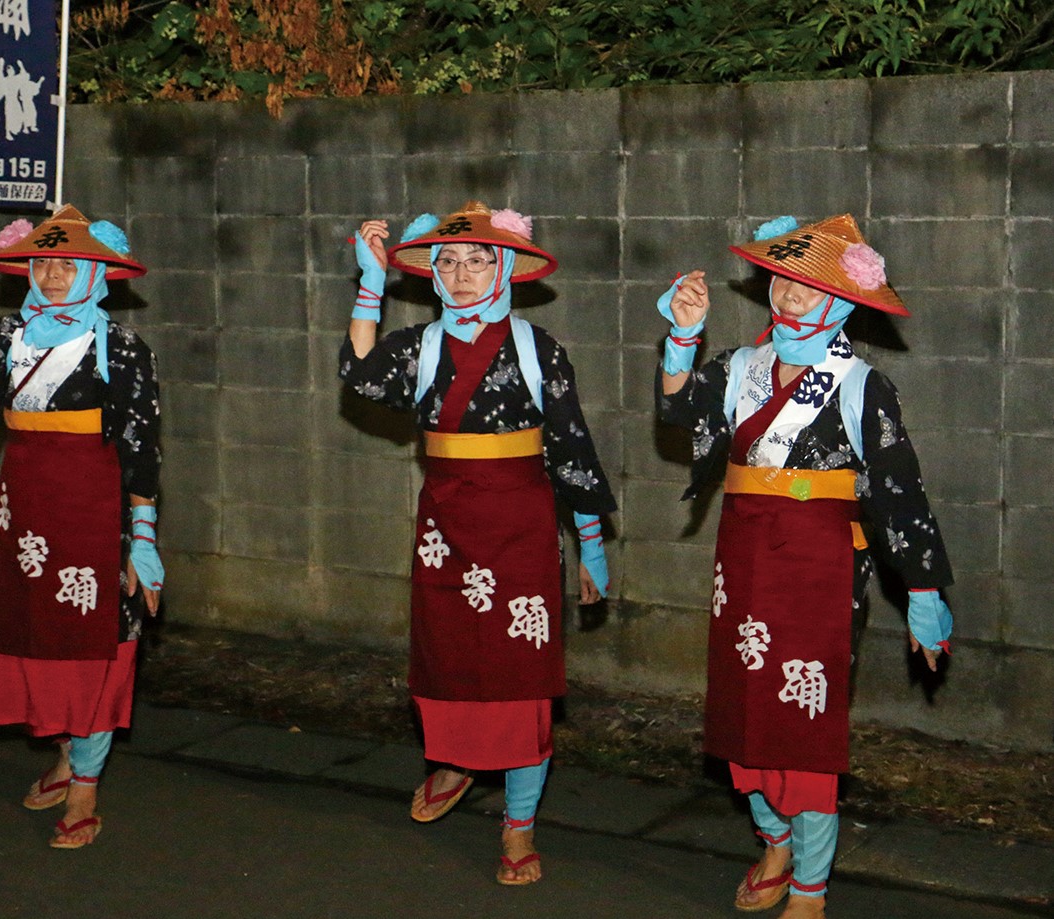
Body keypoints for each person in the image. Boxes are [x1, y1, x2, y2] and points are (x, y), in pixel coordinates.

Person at [655, 215, 954, 918]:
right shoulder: (738, 367)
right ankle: (774, 839)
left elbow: (900, 492)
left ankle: (812, 885)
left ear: (842, 304)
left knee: (804, 723)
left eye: (807, 287)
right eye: (781, 281)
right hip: (742, 558)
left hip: (819, 566)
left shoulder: (860, 385)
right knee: (741, 714)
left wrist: (922, 591)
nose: (788, 298)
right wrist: (681, 336)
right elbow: (676, 414)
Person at [339, 201, 616, 885]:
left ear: (507, 268)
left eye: (479, 260)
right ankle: (456, 759)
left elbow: (571, 443)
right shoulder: (419, 345)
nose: (463, 275)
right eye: (449, 262)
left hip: (521, 519)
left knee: (522, 678)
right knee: (447, 659)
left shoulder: (538, 347)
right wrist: (371, 283)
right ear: (433, 273)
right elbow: (360, 373)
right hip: (445, 521)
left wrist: (590, 541)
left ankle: (518, 828)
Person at [0, 205, 163, 849]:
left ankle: (85, 787)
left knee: (97, 641)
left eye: (68, 263)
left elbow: (142, 447)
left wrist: (144, 538)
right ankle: (65, 754)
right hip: (23, 511)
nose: (53, 274)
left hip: (93, 511)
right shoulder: (9, 334)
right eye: (45, 261)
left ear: (96, 273)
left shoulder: (123, 348)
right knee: (34, 636)